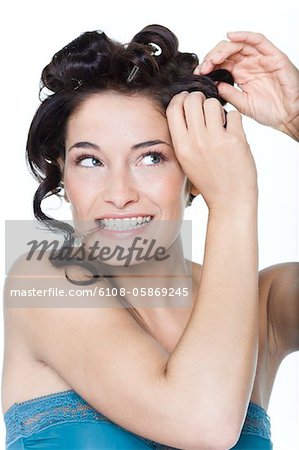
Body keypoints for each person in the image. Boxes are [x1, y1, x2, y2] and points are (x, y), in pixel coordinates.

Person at [2, 24, 298, 450]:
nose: (119, 194)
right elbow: (203, 422)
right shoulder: (46, 280)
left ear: (195, 172)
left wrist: (297, 117)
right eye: (90, 161)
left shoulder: (264, 304)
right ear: (62, 175)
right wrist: (232, 202)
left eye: (151, 157)